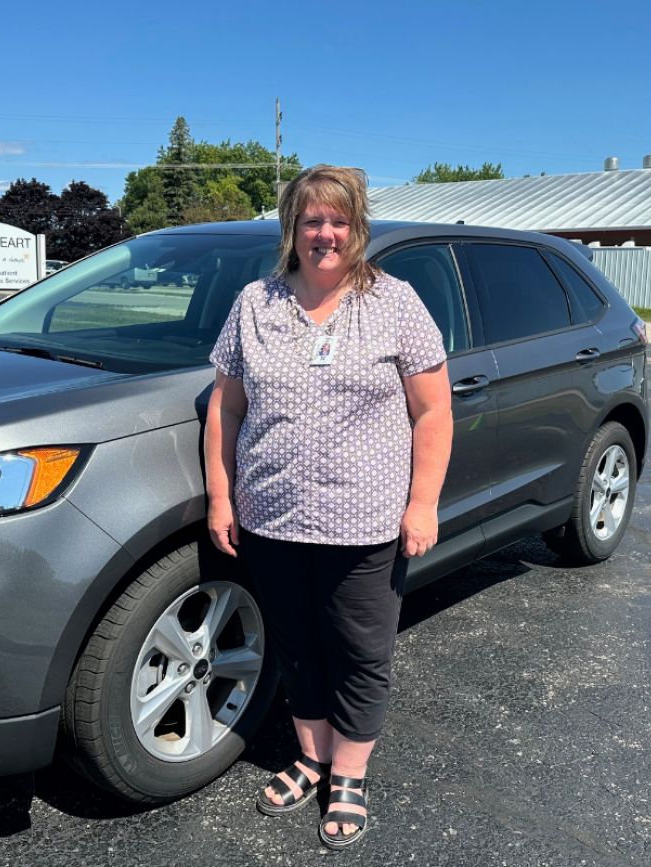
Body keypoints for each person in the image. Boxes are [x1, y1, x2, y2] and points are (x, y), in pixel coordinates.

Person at [203, 165, 452, 849]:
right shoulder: (256, 302)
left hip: (365, 521)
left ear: (357, 227)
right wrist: (222, 495)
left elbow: (433, 410)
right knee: (298, 646)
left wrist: (422, 504)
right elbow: (225, 407)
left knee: (360, 649)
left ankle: (349, 773)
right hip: (271, 516)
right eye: (311, 220)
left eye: (337, 220)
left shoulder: (395, 303)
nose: (324, 232)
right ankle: (311, 755)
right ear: (293, 227)